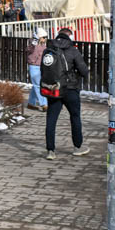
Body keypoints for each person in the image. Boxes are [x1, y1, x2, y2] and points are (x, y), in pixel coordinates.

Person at [42, 28, 90, 159]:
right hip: (70, 88)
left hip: (54, 88)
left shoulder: (49, 50)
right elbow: (83, 69)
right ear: (69, 36)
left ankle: (50, 150)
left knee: (51, 119)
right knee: (75, 117)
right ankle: (77, 147)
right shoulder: (73, 50)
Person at [25, 28, 48, 111]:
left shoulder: (43, 45)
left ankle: (31, 103)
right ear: (39, 37)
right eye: (44, 37)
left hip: (41, 66)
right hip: (34, 66)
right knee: (38, 85)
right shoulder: (32, 43)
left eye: (46, 37)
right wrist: (33, 44)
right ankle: (44, 104)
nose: (45, 39)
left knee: (36, 85)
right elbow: (28, 50)